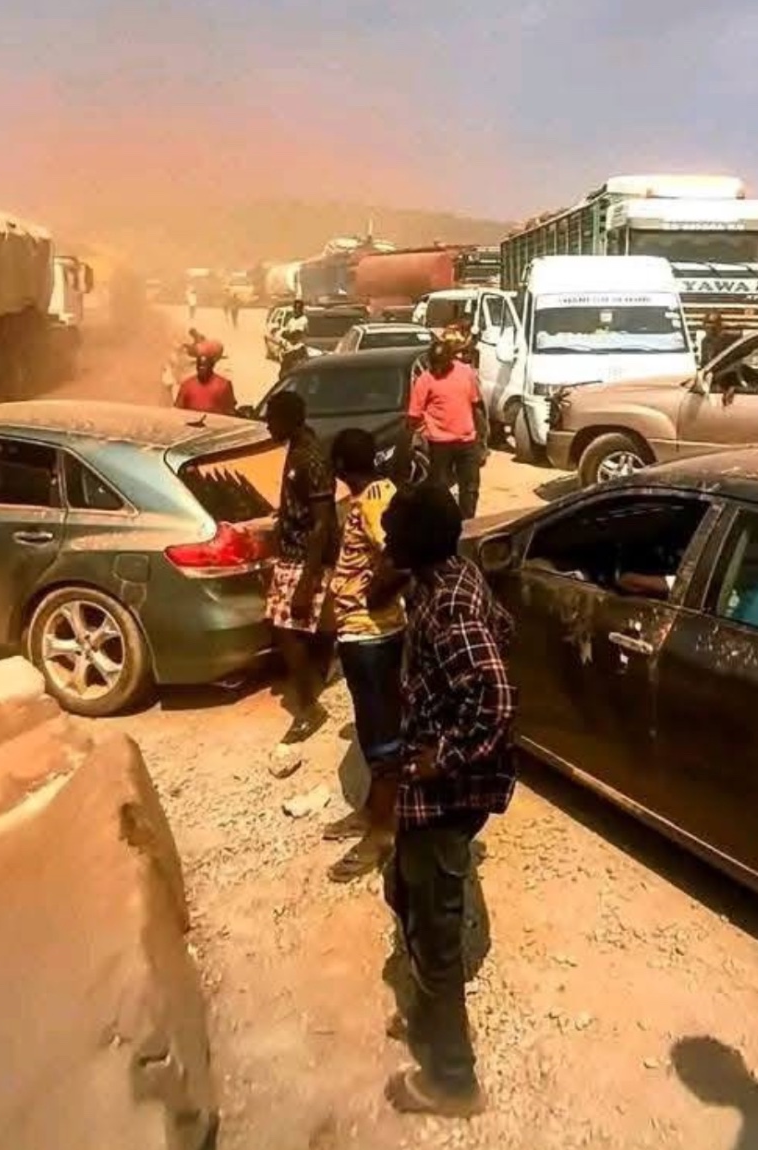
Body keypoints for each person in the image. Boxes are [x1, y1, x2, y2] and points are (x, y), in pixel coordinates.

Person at [381, 483, 516, 1120]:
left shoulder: (452, 606)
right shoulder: (447, 575)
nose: (384, 541)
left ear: (416, 543)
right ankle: (430, 1015)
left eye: (392, 535)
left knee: (435, 932)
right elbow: (505, 628)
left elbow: (496, 694)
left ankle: (452, 1080)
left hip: (445, 794)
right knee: (403, 891)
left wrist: (446, 754)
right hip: (426, 789)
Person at [322, 427, 406, 883]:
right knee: (377, 732)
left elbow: (397, 555)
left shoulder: (373, 500)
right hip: (366, 633)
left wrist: (373, 598)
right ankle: (373, 811)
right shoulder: (380, 491)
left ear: (339, 466)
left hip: (370, 635)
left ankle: (382, 832)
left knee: (382, 739)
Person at [264, 389, 339, 744]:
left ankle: (309, 710)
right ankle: (318, 677)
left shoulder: (311, 458)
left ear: (289, 420)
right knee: (300, 628)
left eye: (271, 420)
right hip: (292, 554)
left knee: (287, 630)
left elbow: (322, 523)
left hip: (304, 559)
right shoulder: (296, 449)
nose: (267, 426)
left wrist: (307, 581)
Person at [408, 337, 487, 519]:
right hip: (439, 444)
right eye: (434, 365)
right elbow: (414, 414)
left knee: (470, 487)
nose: (437, 370)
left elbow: (476, 405)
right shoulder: (425, 380)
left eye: (441, 365)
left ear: (450, 361)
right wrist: (419, 435)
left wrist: (481, 439)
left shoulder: (466, 373)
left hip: (467, 441)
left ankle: (467, 522)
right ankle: (443, 523)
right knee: (439, 489)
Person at [175, 338, 237, 414]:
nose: (201, 368)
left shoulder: (224, 385)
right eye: (199, 365)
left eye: (204, 365)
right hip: (190, 421)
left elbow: (229, 412)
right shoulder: (186, 385)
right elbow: (177, 412)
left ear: (212, 365)